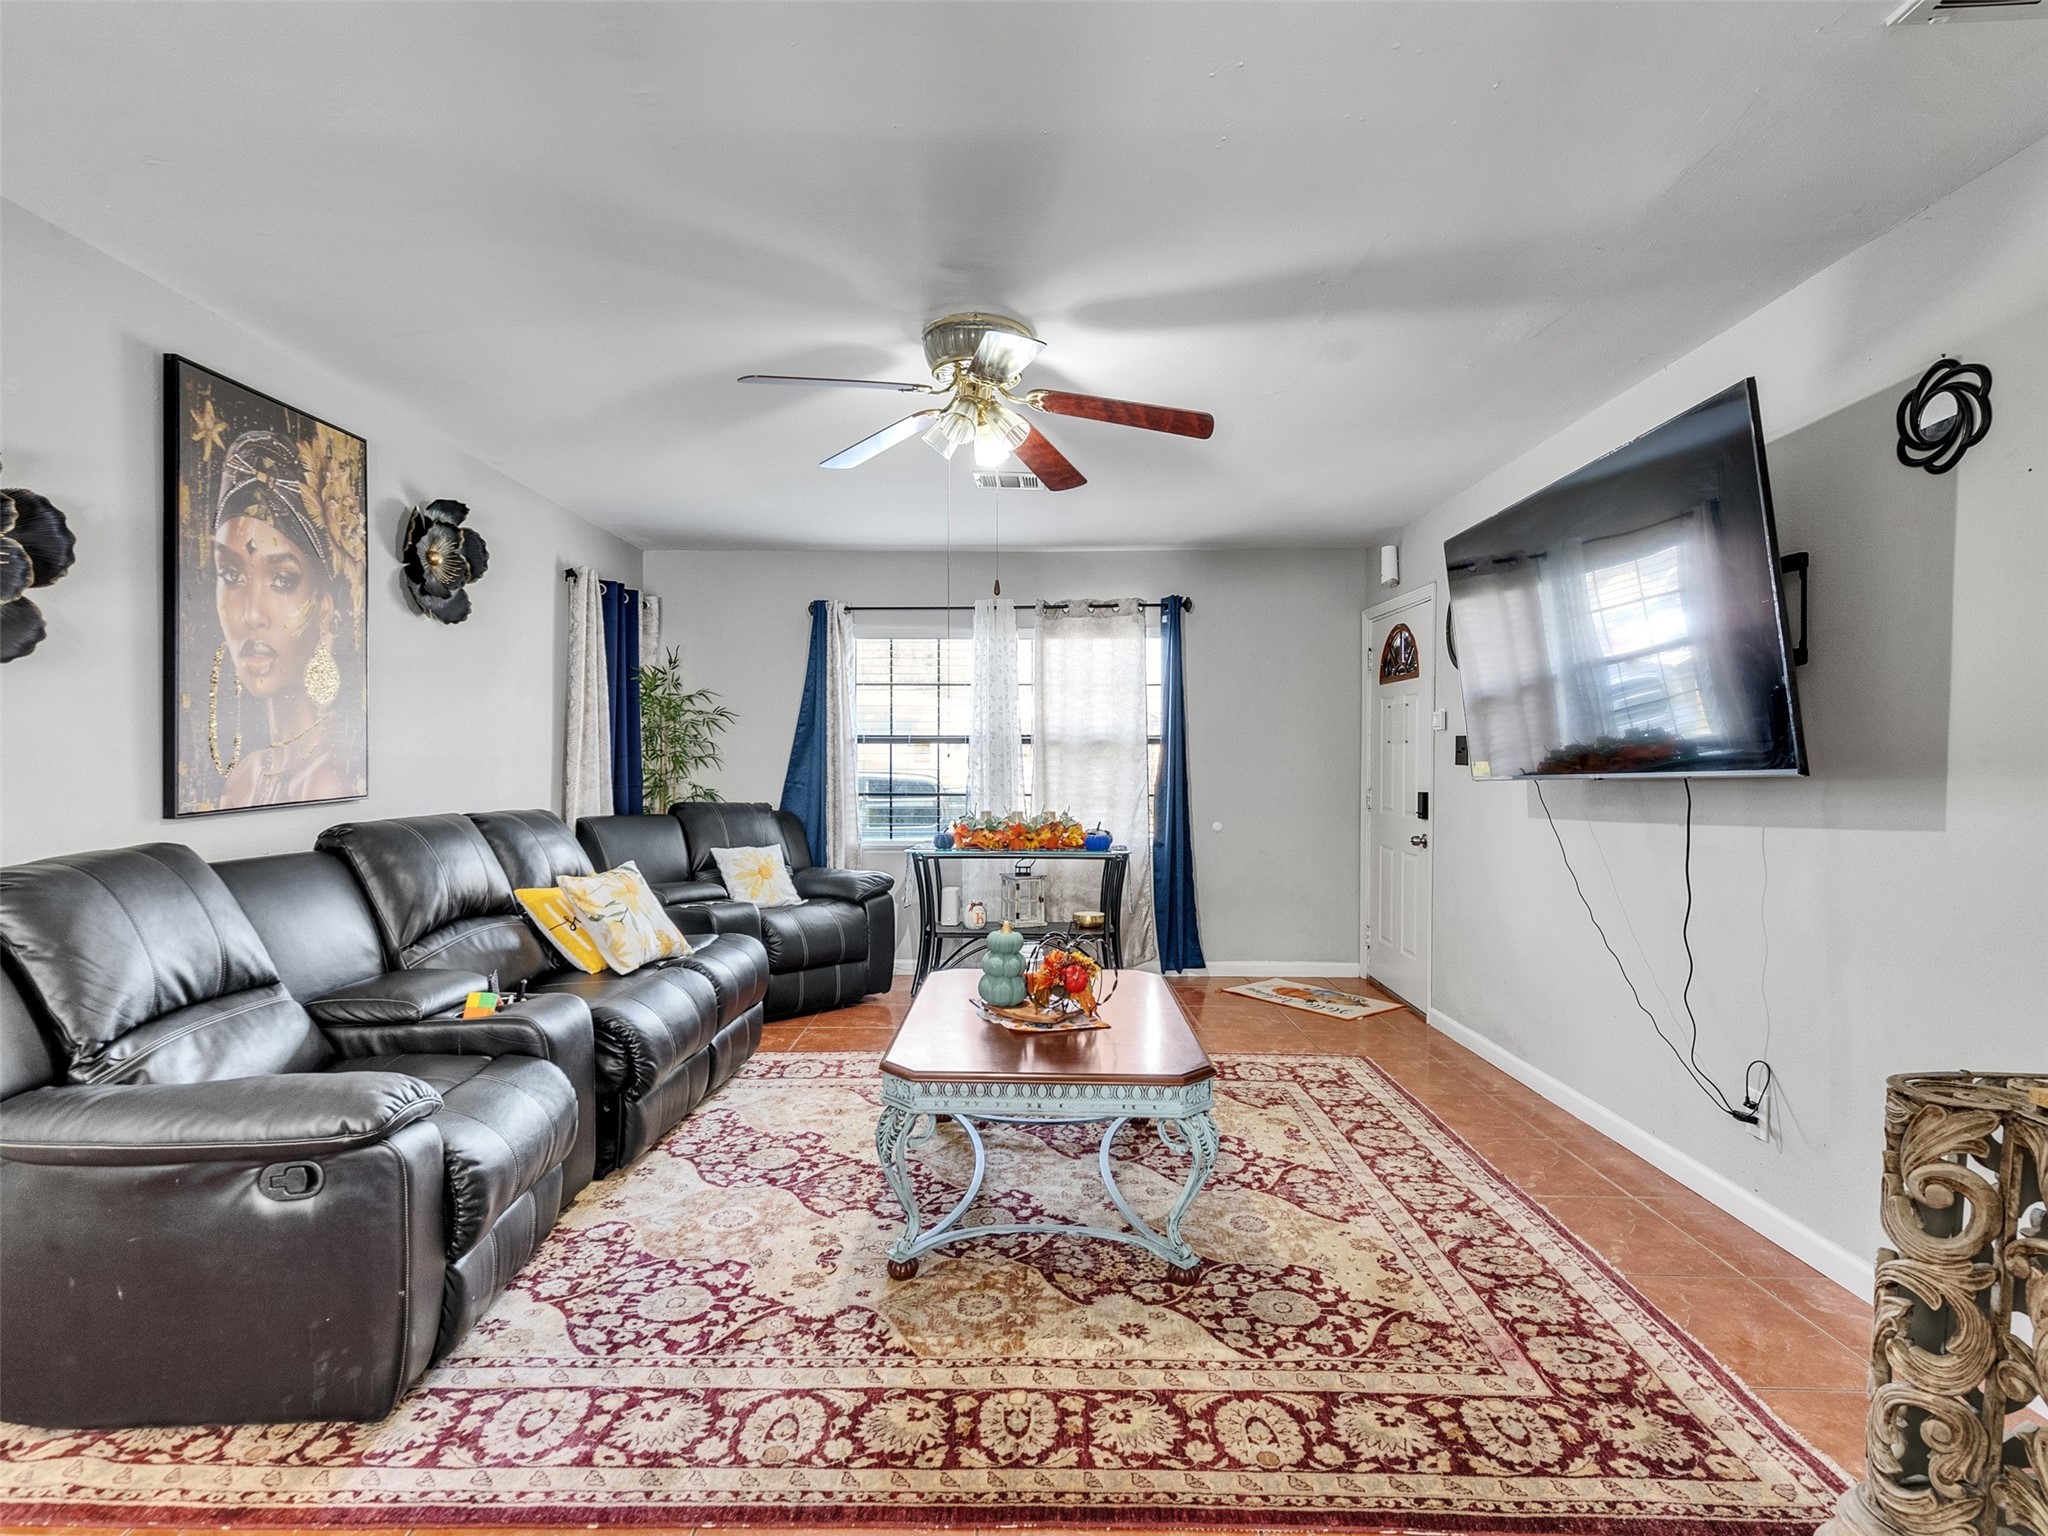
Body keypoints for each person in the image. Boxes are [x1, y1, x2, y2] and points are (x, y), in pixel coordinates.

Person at [207, 429, 359, 807]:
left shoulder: (326, 781)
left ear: (325, 610)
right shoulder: (248, 774)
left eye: (282, 580)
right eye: (232, 576)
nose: (251, 614)